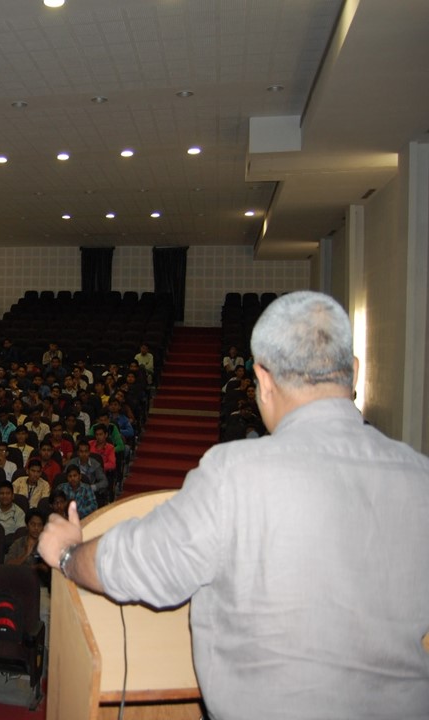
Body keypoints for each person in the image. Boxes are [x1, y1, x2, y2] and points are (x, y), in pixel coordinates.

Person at [39, 291, 429, 720]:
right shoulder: (420, 476)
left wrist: (68, 552)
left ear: (263, 378)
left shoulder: (237, 472)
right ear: (353, 371)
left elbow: (139, 564)